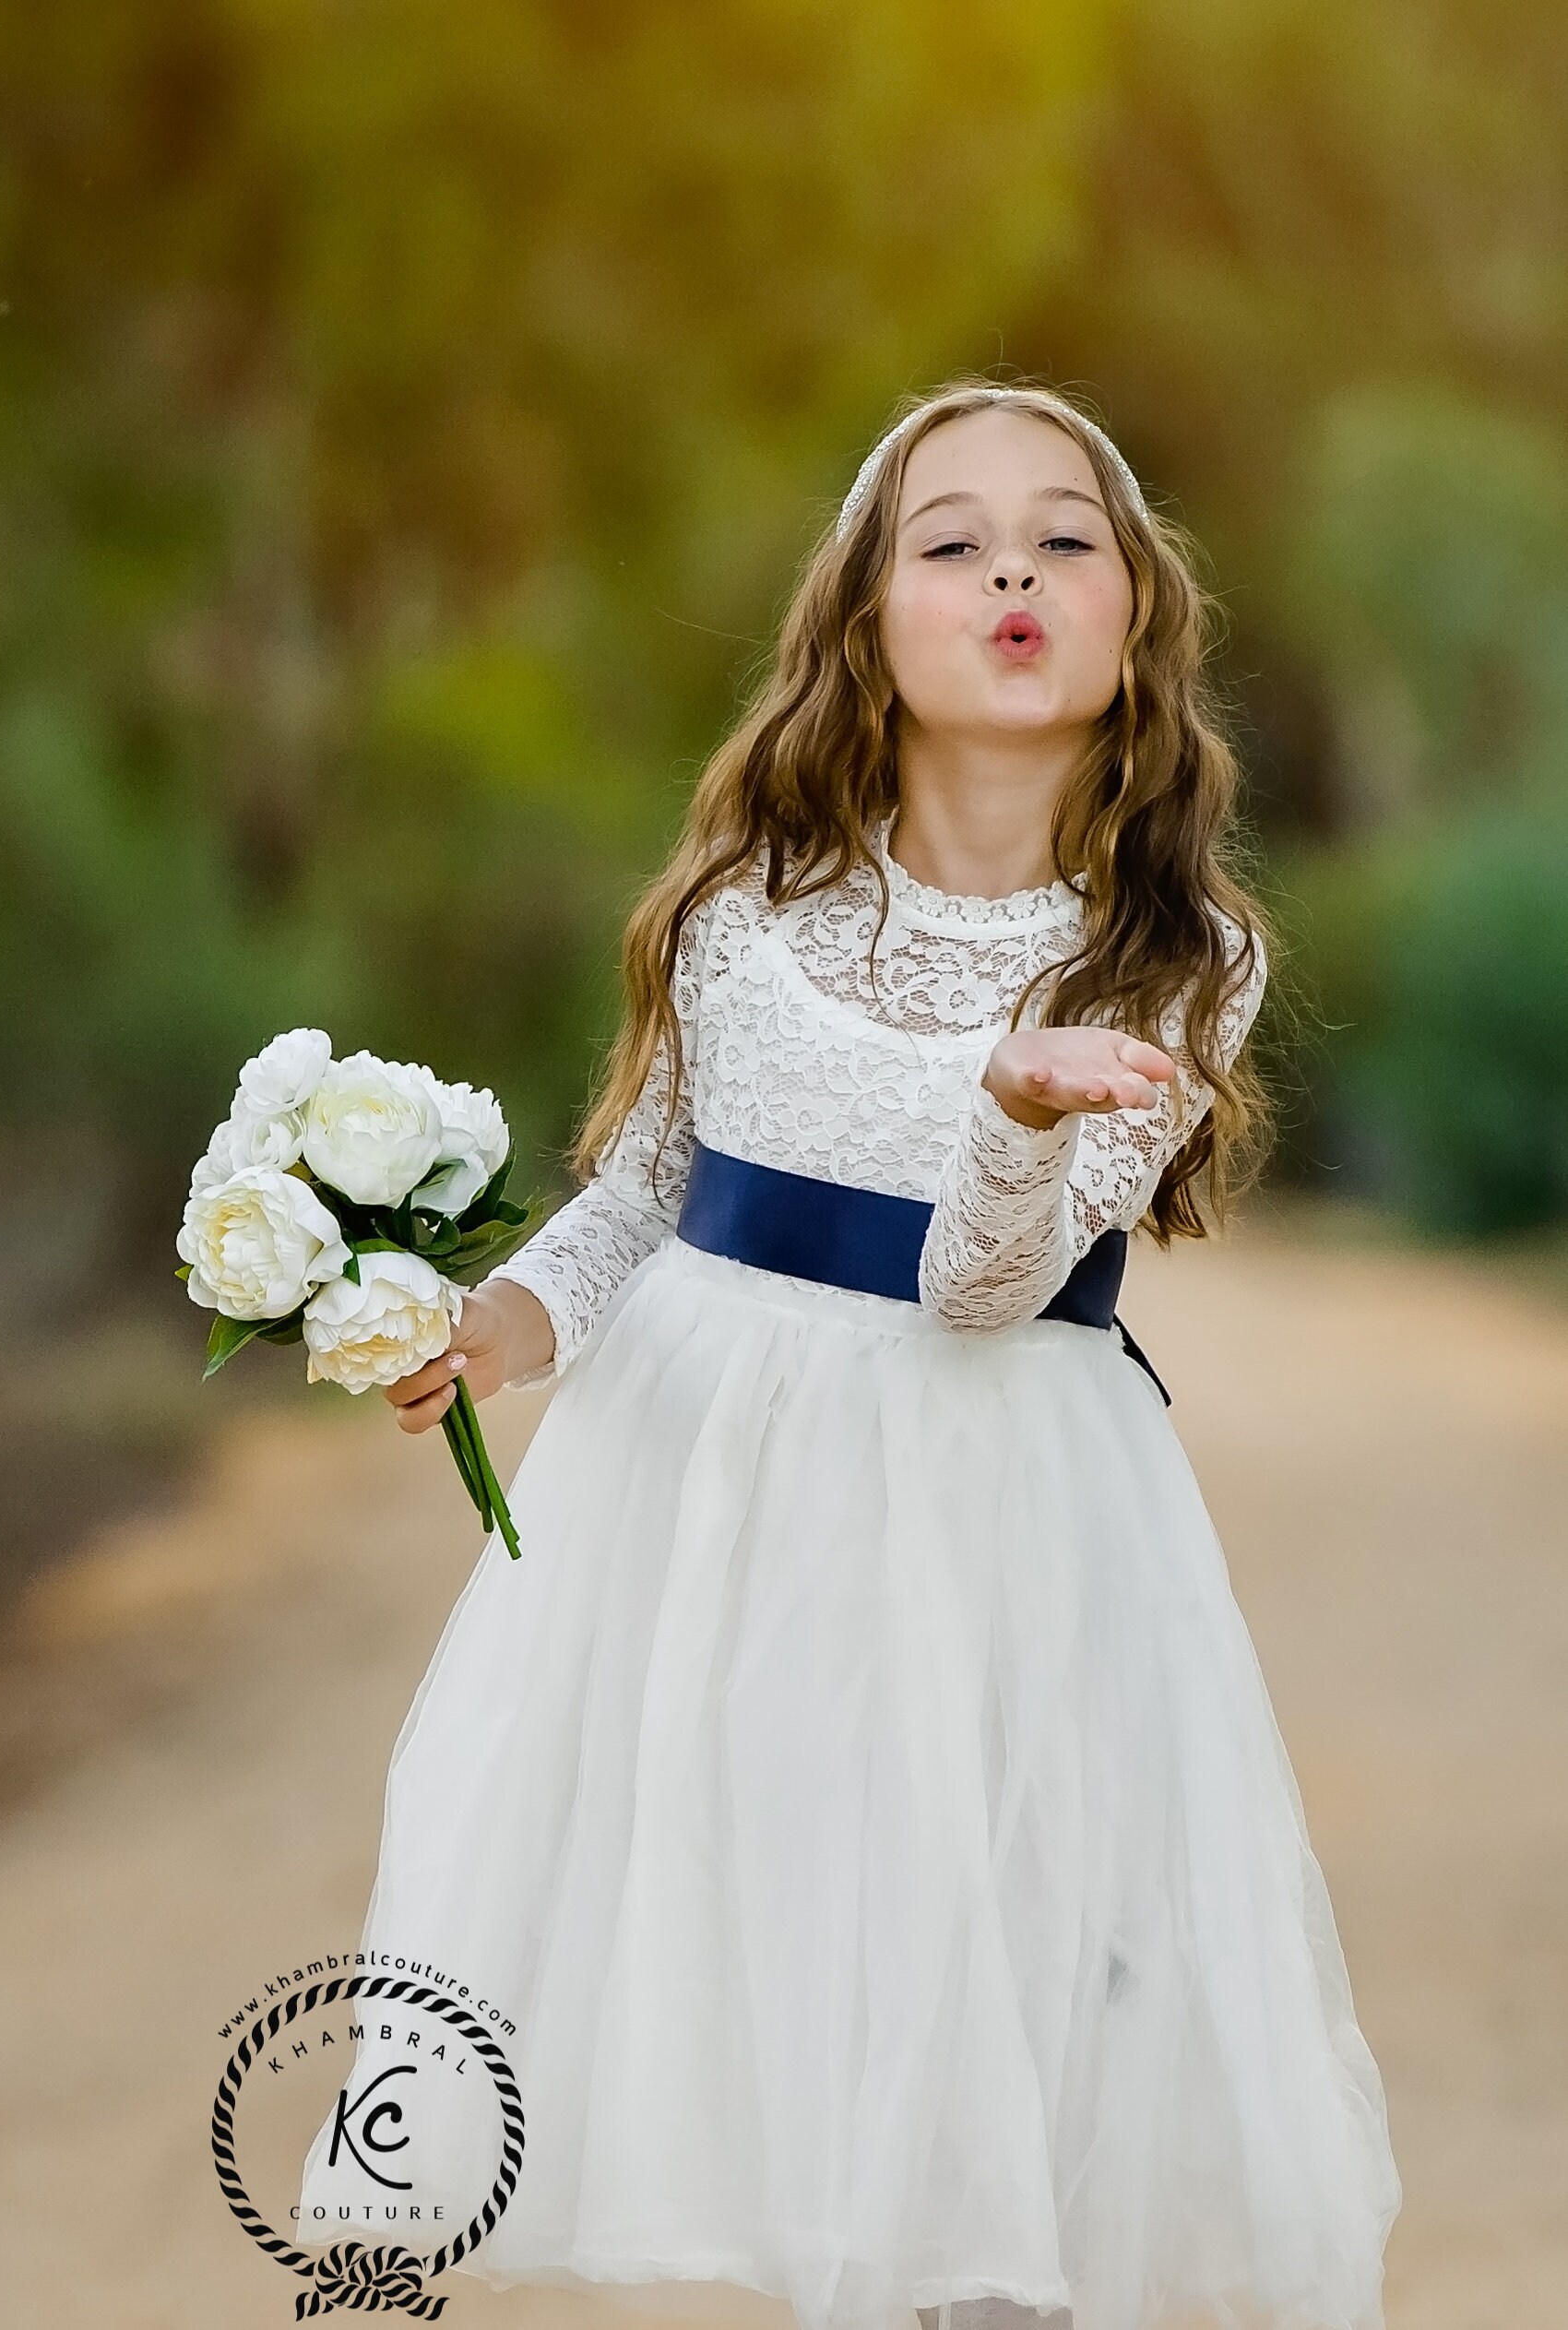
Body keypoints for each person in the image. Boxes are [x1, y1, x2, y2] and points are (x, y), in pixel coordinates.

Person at [296, 378, 1401, 2330]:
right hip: (727, 1514)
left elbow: (983, 1293)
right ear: (866, 623)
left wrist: (1015, 1110)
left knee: (984, 2004)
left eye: (1063, 539)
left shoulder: (1177, 958)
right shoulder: (746, 908)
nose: (1011, 572)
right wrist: (489, 1328)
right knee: (796, 1990)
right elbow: (645, 1195)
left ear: (1134, 617)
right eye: (951, 541)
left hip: (995, 1521)